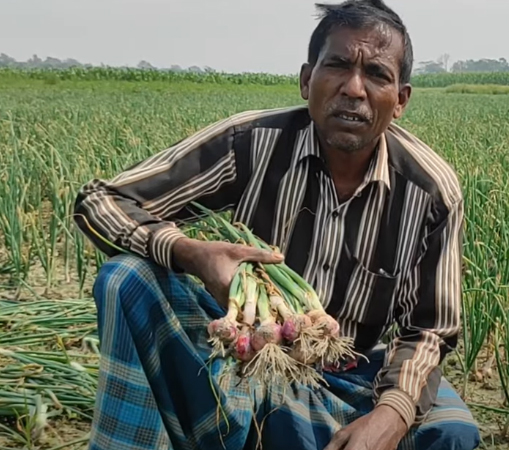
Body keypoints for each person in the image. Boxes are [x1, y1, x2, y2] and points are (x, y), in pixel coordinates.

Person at [72, 0, 481, 449]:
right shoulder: (248, 144)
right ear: (307, 80)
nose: (354, 88)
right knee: (126, 279)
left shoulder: (430, 190)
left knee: (451, 434)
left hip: (356, 365)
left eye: (378, 75)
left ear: (400, 100)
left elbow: (430, 329)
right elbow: (101, 200)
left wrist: (391, 416)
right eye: (338, 65)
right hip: (253, 351)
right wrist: (191, 253)